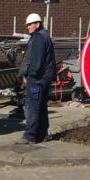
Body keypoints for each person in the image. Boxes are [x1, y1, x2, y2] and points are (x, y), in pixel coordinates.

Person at [18, 12, 55, 144]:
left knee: (32, 106)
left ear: (37, 24)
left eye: (30, 24)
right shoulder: (44, 36)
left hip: (37, 80)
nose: (27, 27)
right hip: (44, 79)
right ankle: (42, 134)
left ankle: (30, 136)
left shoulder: (38, 38)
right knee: (41, 106)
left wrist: (31, 75)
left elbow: (37, 61)